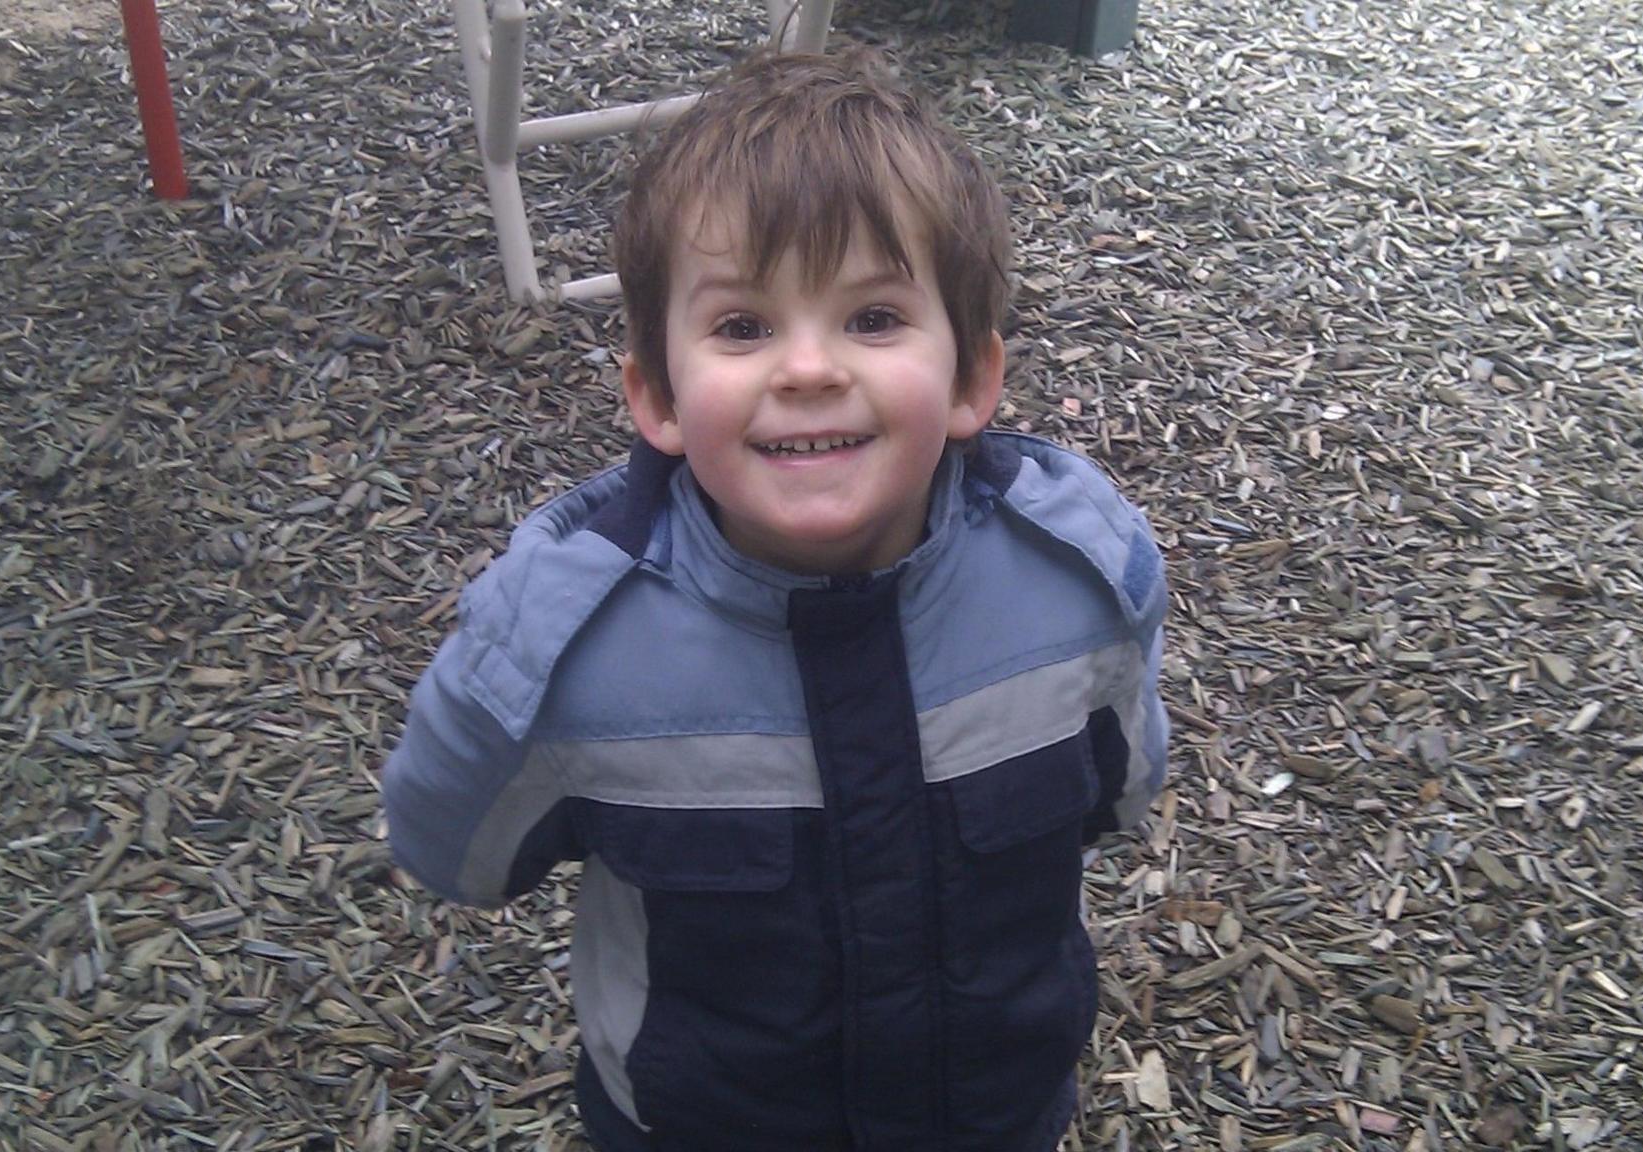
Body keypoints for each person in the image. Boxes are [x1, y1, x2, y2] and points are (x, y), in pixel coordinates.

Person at [383, 47, 1170, 1152]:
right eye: (744, 327)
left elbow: (1119, 788)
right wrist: (502, 655)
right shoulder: (575, 654)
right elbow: (449, 850)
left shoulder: (1079, 577)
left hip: (992, 1117)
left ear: (971, 382)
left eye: (873, 317)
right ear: (654, 394)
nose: (807, 368)